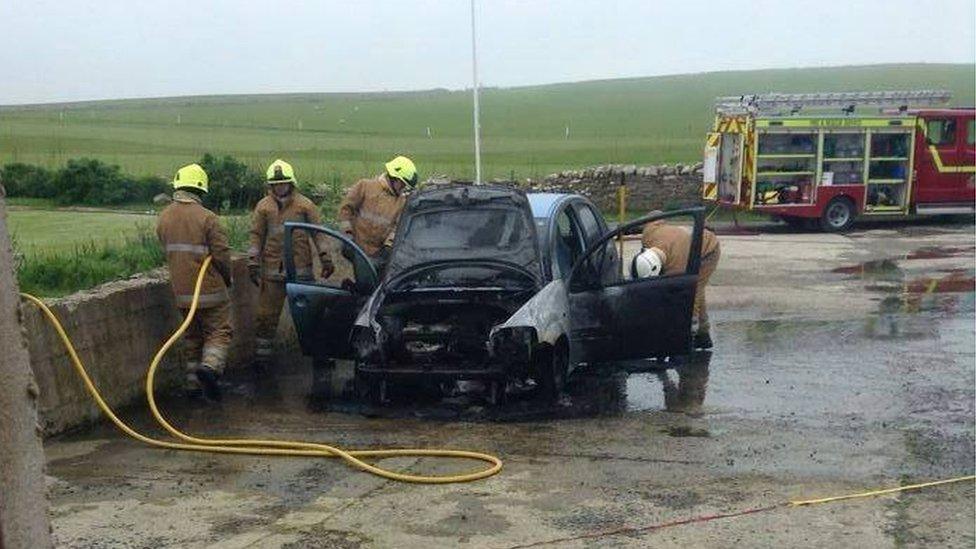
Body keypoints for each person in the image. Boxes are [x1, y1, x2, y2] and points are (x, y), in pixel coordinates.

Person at [248, 159, 333, 379]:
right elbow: (256, 236)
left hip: (301, 272)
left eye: (284, 183)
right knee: (265, 319)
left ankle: (320, 359)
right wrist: (252, 261)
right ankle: (261, 362)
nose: (280, 187)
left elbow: (318, 235)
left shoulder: (305, 206)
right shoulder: (263, 207)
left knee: (310, 318)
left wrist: (326, 259)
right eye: (276, 184)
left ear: (291, 183)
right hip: (272, 274)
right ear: (270, 185)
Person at [156, 163, 232, 401]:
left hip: (181, 292)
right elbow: (221, 255)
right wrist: (227, 279)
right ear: (201, 190)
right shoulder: (207, 218)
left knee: (192, 337)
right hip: (209, 290)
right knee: (219, 332)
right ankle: (209, 368)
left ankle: (192, 386)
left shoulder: (164, 217)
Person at [641, 211, 721, 349]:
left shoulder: (675, 263)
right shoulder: (649, 239)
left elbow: (681, 293)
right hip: (693, 245)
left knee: (692, 292)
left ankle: (689, 335)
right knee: (697, 292)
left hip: (709, 250)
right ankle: (703, 335)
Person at [337, 155, 417, 273]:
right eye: (403, 184)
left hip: (378, 256)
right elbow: (346, 210)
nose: (403, 188)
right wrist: (347, 236)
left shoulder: (401, 202)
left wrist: (387, 249)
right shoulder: (365, 186)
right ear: (394, 178)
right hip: (356, 248)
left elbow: (398, 227)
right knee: (363, 284)